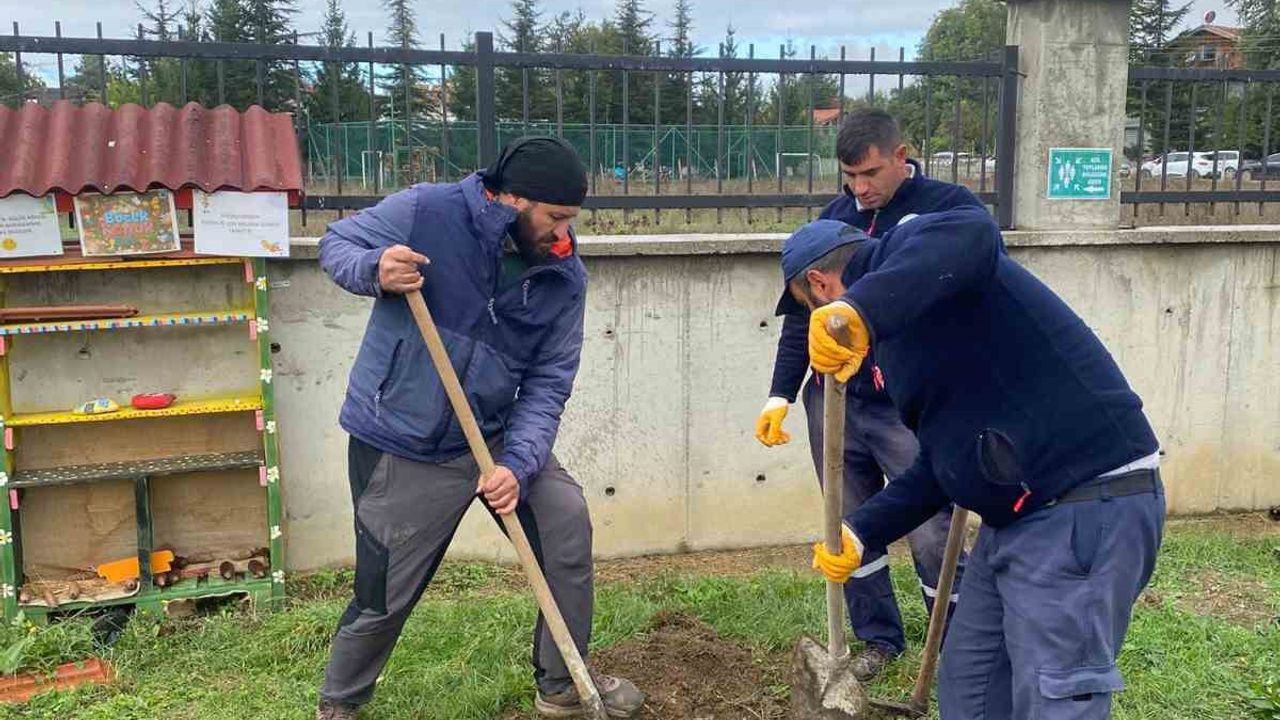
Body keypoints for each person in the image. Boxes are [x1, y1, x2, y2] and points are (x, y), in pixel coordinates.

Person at [314, 136, 644, 720]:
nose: (564, 233)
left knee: (564, 521)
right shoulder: (429, 211)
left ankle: (563, 684)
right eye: (555, 217)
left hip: (492, 433)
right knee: (385, 589)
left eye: (571, 219)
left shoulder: (563, 277)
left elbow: (548, 382)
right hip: (403, 436)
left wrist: (517, 464)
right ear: (512, 199)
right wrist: (375, 268)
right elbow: (337, 242)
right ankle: (340, 702)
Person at [801, 208, 1164, 719]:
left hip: (1083, 501)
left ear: (821, 286)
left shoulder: (913, 248)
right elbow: (942, 461)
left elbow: (974, 231)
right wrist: (863, 531)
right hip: (1013, 519)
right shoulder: (904, 342)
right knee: (971, 686)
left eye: (810, 311)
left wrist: (859, 310)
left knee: (1054, 695)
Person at [756, 108, 981, 679]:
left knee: (930, 526)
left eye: (871, 173)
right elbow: (804, 317)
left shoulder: (948, 210)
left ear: (902, 156)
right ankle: (878, 640)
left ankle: (956, 644)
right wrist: (781, 394)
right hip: (834, 399)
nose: (860, 189)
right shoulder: (834, 221)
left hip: (907, 404)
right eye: (850, 176)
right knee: (849, 522)